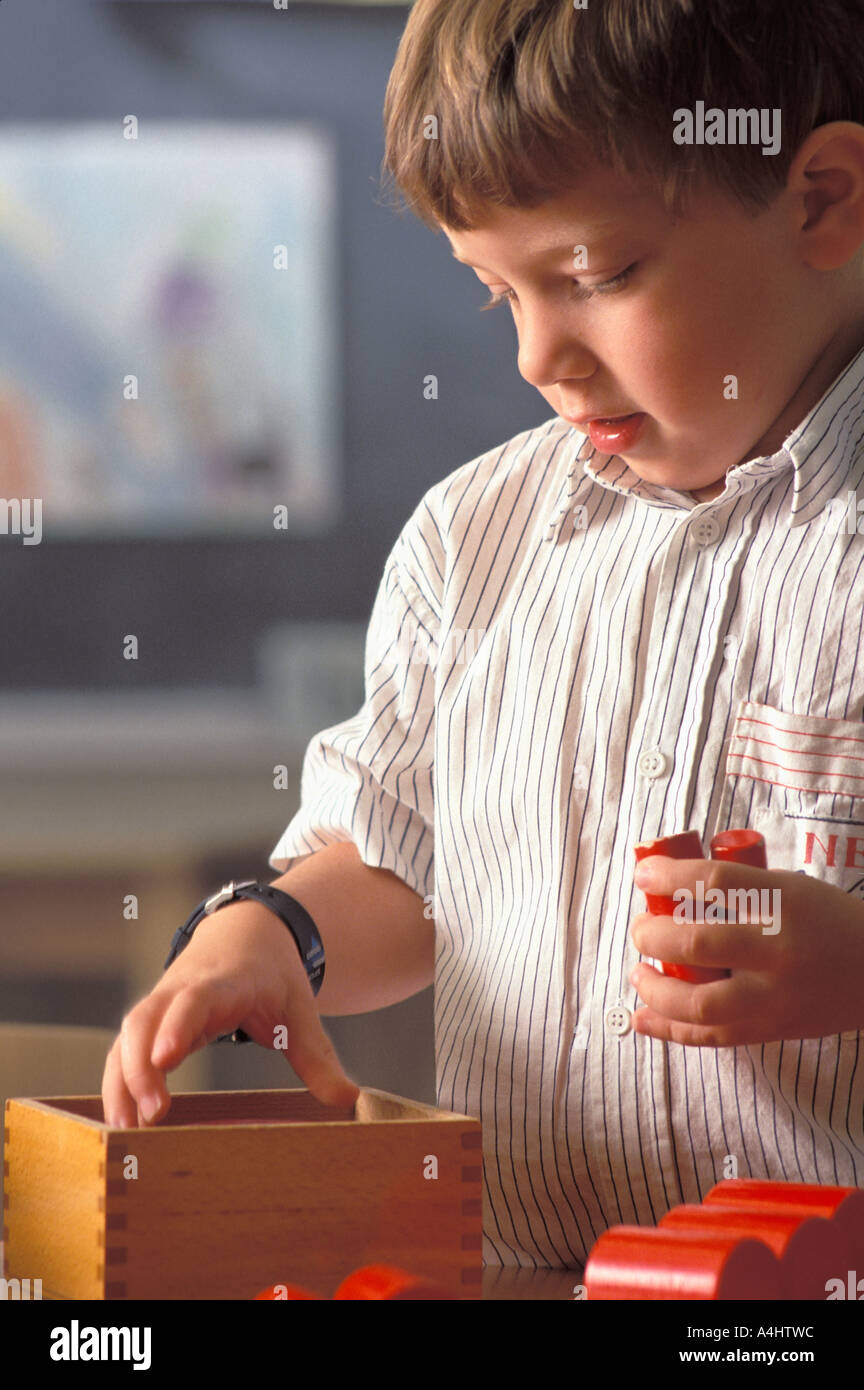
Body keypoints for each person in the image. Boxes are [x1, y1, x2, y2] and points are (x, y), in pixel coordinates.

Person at [103, 0, 864, 1268]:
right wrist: (270, 935)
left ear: (823, 199)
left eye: (599, 276)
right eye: (494, 291)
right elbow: (401, 866)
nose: (538, 355)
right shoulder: (476, 538)